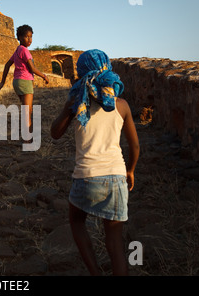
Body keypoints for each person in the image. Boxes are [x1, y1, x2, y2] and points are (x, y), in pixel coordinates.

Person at [50, 49, 140, 276]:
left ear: (81, 72)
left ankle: (95, 272)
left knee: (77, 222)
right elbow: (135, 147)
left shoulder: (77, 101)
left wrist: (67, 108)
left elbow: (55, 133)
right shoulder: (121, 105)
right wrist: (130, 170)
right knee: (116, 244)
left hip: (86, 176)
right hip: (116, 177)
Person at [0, 25, 49, 136]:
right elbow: (32, 68)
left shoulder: (17, 50)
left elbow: (7, 65)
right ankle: (27, 139)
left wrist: (2, 82)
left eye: (31, 37)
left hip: (17, 82)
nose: (29, 40)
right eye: (26, 37)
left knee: (27, 110)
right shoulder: (24, 50)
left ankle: (27, 136)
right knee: (27, 113)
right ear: (19, 37)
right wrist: (44, 76)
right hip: (25, 82)